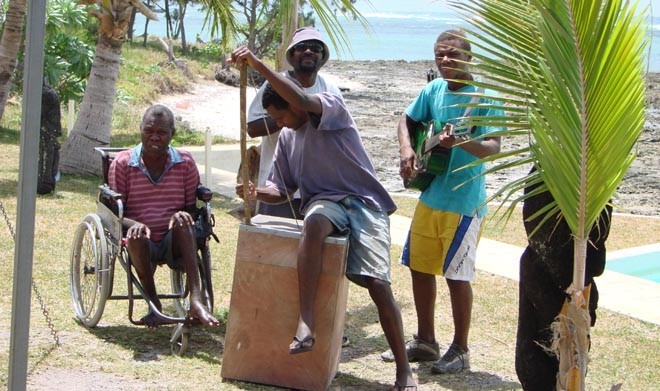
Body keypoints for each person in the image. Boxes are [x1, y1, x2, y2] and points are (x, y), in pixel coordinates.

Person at [229, 46, 417, 391]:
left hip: (364, 202)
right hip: (325, 205)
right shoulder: (286, 137)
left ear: (294, 106)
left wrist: (257, 65)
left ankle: (404, 370)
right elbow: (283, 190)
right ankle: (306, 321)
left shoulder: (331, 108)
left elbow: (299, 97)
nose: (280, 124)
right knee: (314, 221)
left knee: (378, 283)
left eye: (282, 116)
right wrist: (255, 193)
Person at [381, 30, 502, 374]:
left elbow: (493, 146)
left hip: (464, 201)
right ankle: (425, 342)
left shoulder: (485, 97)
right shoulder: (433, 90)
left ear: (469, 57)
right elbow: (407, 119)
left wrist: (461, 142)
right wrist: (407, 150)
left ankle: (461, 349)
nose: (445, 61)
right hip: (431, 193)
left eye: (452, 54)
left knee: (456, 276)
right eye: (440, 55)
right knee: (419, 267)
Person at [108, 104, 219, 328]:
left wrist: (181, 215)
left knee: (183, 221)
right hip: (141, 239)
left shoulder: (185, 163)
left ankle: (196, 299)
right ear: (140, 131)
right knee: (135, 235)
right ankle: (153, 304)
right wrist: (135, 224)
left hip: (174, 237)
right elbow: (114, 214)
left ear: (172, 134)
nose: (155, 138)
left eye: (162, 133)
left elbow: (190, 208)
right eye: (149, 131)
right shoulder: (122, 163)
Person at [246, 26, 342, 220]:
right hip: (276, 188)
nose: (308, 51)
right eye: (302, 47)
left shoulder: (330, 89)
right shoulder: (274, 84)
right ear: (292, 54)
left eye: (315, 48)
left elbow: (338, 135)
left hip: (319, 192)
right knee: (273, 245)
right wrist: (285, 117)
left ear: (322, 55)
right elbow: (252, 128)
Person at [38, 80, 62, 195]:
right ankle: (44, 183)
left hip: (47, 131)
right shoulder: (48, 93)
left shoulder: (46, 95)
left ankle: (45, 184)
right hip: (47, 131)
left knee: (47, 156)